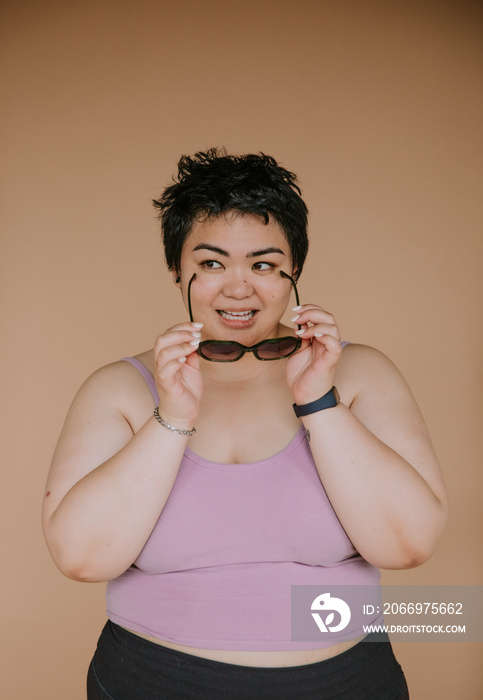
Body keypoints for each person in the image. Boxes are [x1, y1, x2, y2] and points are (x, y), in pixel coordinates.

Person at [42, 148, 448, 699]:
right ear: (176, 269)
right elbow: (81, 557)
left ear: (294, 270)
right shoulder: (119, 388)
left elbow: (408, 546)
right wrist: (173, 418)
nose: (239, 289)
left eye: (263, 264)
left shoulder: (358, 373)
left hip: (345, 681)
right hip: (153, 680)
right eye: (211, 263)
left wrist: (319, 403)